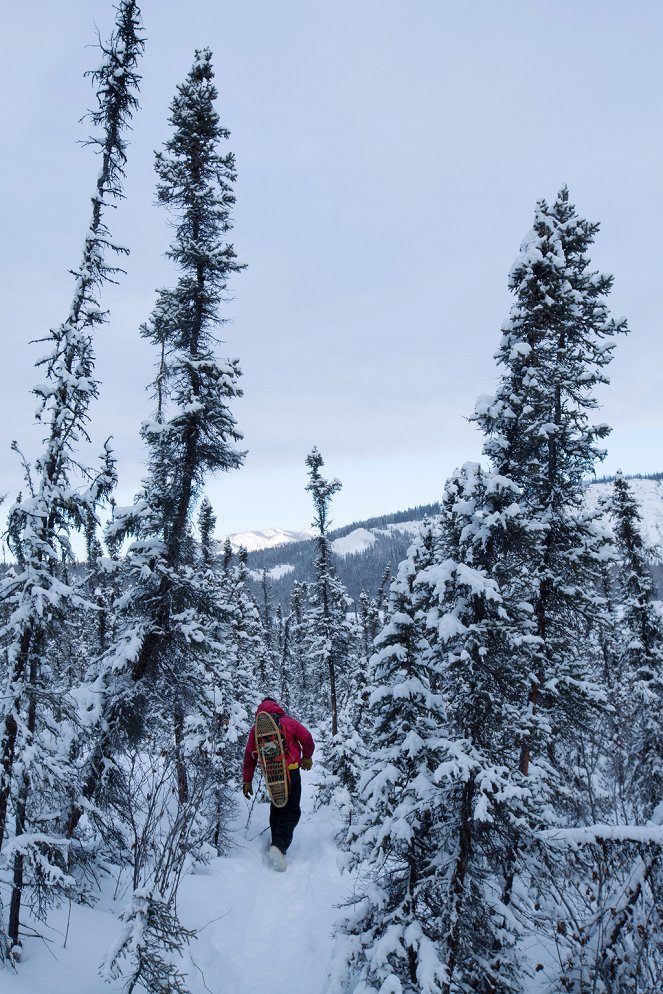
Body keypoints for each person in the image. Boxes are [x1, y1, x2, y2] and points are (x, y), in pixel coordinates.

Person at [242, 697, 314, 871]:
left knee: (277, 806)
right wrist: (307, 756)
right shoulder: (289, 722)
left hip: (272, 773)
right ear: (277, 706)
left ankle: (275, 842)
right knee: (291, 810)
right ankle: (279, 847)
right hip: (291, 770)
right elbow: (307, 739)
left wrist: (247, 780)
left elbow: (250, 755)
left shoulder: (256, 730)